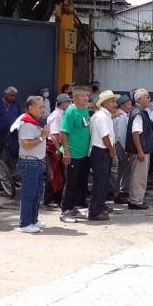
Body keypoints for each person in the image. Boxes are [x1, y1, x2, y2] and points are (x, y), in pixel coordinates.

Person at [13, 96, 49, 233]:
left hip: (37, 161)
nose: (43, 110)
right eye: (40, 107)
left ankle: (33, 220)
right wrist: (42, 136)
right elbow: (26, 144)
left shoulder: (34, 122)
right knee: (29, 193)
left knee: (37, 192)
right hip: (30, 162)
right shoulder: (27, 123)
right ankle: (25, 223)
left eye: (43, 107)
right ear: (30, 108)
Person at [59, 86, 92, 223]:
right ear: (75, 98)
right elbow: (63, 133)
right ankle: (65, 210)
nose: (86, 98)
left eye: (87, 95)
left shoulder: (84, 109)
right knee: (71, 183)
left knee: (80, 182)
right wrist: (67, 152)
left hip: (83, 153)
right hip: (72, 153)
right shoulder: (71, 111)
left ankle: (73, 206)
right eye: (83, 96)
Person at [88, 90, 119, 221]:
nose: (115, 104)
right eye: (112, 101)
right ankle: (95, 211)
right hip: (101, 150)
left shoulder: (105, 115)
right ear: (105, 103)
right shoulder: (101, 116)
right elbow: (105, 136)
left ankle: (100, 205)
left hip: (103, 150)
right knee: (100, 182)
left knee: (104, 181)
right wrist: (112, 150)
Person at [125, 88, 153, 210]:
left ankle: (137, 199)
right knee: (138, 177)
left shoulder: (141, 112)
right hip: (140, 151)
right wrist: (140, 151)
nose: (149, 99)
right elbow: (135, 133)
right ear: (139, 99)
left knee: (140, 176)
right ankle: (135, 201)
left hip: (142, 150)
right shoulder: (138, 113)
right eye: (147, 97)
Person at [45, 93, 70, 207]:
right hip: (54, 146)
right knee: (54, 174)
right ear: (63, 103)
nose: (69, 104)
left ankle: (56, 198)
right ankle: (50, 199)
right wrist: (58, 150)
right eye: (68, 102)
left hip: (57, 145)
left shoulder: (62, 114)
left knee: (59, 174)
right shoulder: (57, 115)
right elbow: (54, 135)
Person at [111, 94, 132, 204]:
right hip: (121, 145)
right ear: (122, 105)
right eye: (128, 104)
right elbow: (122, 135)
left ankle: (117, 191)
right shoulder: (123, 117)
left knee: (119, 170)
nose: (130, 106)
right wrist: (126, 149)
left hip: (116, 144)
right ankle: (122, 192)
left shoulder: (117, 116)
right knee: (124, 170)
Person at [0, 86, 21, 156]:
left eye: (15, 96)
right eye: (12, 95)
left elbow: (19, 117)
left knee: (10, 154)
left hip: (12, 135)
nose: (13, 97)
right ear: (5, 94)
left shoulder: (16, 105)